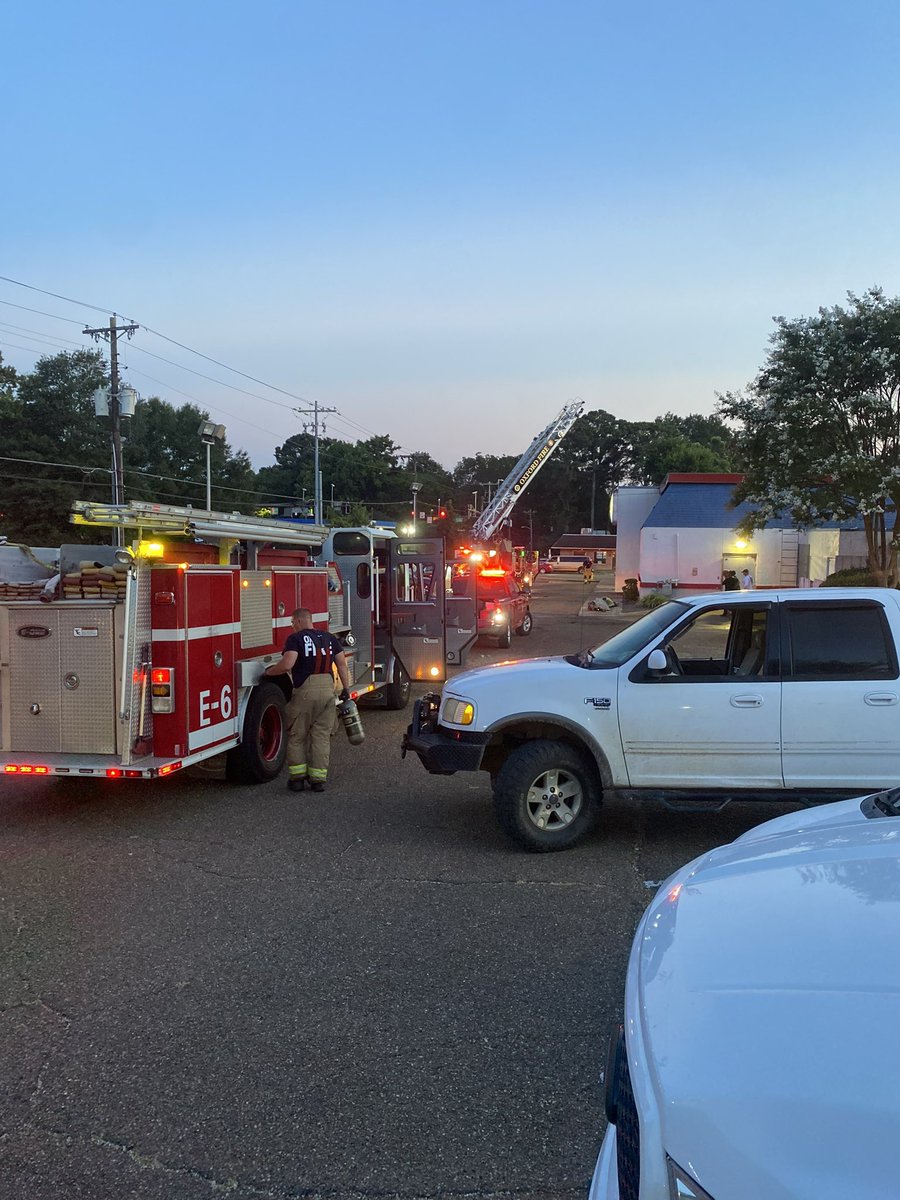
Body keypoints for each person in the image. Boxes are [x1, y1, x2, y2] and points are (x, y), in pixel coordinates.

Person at [264, 607, 352, 794]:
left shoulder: (295, 639)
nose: (292, 625)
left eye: (292, 622)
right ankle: (318, 780)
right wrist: (346, 689)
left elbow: (288, 664)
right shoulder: (329, 638)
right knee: (321, 736)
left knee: (297, 735)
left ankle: (297, 780)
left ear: (297, 621)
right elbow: (342, 665)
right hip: (328, 691)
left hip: (305, 691)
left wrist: (269, 672)